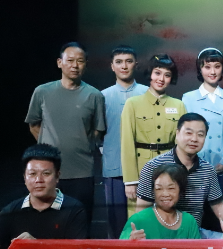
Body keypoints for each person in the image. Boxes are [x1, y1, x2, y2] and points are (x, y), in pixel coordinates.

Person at [25, 42, 105, 226]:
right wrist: (48, 149)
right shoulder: (42, 92)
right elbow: (33, 124)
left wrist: (81, 145)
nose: (75, 65)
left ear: (86, 64)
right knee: (46, 222)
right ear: (59, 63)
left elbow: (97, 130)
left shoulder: (94, 95)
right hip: (48, 171)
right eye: (70, 60)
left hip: (82, 171)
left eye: (80, 61)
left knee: (80, 221)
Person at [135, 113, 223, 240]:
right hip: (160, 235)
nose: (194, 139)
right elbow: (142, 209)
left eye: (200, 135)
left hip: (194, 235)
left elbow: (218, 206)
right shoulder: (153, 166)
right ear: (177, 133)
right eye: (189, 133)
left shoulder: (208, 170)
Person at [121, 54, 185, 217]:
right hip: (141, 170)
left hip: (170, 170)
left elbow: (182, 146)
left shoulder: (179, 105)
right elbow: (127, 144)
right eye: (157, 73)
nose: (161, 79)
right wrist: (130, 181)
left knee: (169, 217)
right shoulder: (132, 104)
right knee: (139, 219)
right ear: (150, 74)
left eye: (167, 75)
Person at [182, 48, 223, 210]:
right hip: (197, 170)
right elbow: (185, 136)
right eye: (207, 67)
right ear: (200, 69)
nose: (212, 72)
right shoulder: (189, 98)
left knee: (222, 217)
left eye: (217, 66)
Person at [101, 45, 148, 238]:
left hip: (144, 168)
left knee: (145, 222)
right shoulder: (102, 96)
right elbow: (96, 132)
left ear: (136, 64)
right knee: (117, 224)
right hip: (114, 168)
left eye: (128, 61)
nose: (124, 66)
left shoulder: (148, 93)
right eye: (119, 62)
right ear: (112, 66)